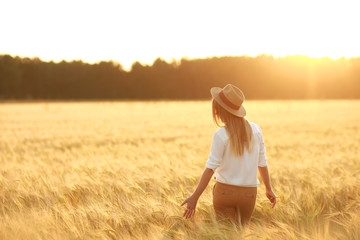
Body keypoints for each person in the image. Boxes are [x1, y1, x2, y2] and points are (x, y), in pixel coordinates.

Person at [180, 83, 276, 226]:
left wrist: (195, 197)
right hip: (249, 194)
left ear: (219, 111)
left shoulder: (221, 135)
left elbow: (210, 168)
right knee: (240, 234)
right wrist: (269, 188)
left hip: (225, 192)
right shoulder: (256, 130)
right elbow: (262, 162)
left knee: (226, 234)